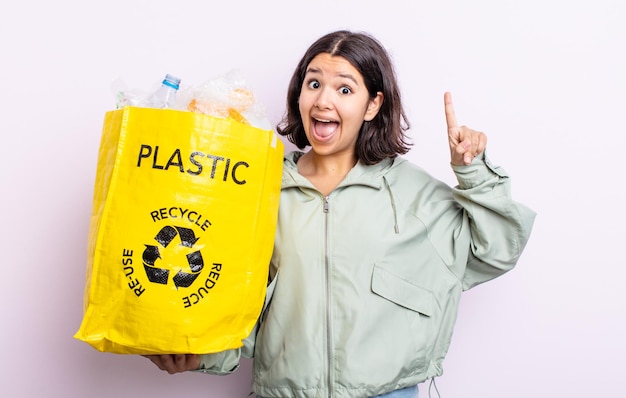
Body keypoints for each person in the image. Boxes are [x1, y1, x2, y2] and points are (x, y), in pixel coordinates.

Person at [145, 30, 536, 398]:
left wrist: (473, 171)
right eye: (313, 84)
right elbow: (233, 294)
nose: (323, 101)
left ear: (373, 105)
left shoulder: (410, 191)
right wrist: (199, 355)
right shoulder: (261, 185)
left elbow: (495, 250)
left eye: (344, 89)